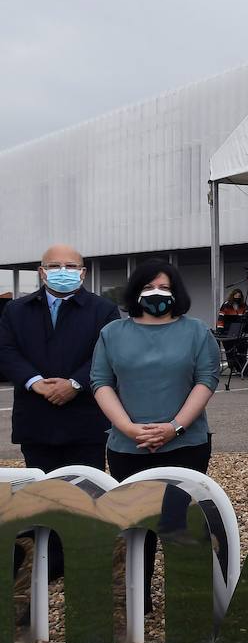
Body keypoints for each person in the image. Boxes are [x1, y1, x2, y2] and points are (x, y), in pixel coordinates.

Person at [90, 260, 221, 604]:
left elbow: (206, 380)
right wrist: (129, 428)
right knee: (135, 526)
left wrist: (174, 427)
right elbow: (101, 383)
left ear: (176, 292)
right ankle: (136, 599)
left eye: (164, 287)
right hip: (126, 448)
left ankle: (187, 598)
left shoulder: (196, 332)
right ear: (135, 292)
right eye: (149, 287)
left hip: (185, 445)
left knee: (181, 523)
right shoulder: (112, 334)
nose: (157, 294)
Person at [0, 244, 119, 588]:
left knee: (86, 492)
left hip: (85, 420)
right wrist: (36, 383)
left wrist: (75, 384)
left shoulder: (103, 310)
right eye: (55, 265)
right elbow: (6, 351)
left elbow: (106, 354)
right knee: (44, 492)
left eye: (71, 265)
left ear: (82, 272)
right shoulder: (16, 310)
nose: (62, 270)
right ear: (41, 270)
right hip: (36, 419)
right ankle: (50, 561)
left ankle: (83, 559)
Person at [216, 288, 248, 375]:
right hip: (227, 332)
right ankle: (232, 366)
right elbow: (221, 318)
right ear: (232, 296)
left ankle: (242, 368)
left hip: (240, 333)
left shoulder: (244, 306)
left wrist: (247, 331)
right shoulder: (226, 305)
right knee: (229, 350)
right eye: (236, 296)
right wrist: (219, 330)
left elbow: (247, 320)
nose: (237, 298)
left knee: (242, 348)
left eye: (239, 297)